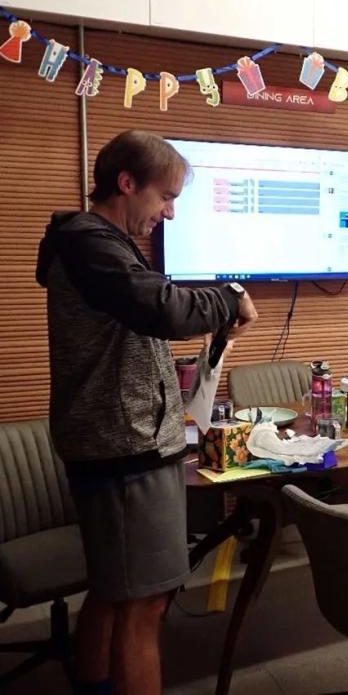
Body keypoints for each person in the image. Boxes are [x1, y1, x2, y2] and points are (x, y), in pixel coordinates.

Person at [35, 130, 259, 695]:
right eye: (165, 197)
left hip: (117, 442)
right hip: (124, 449)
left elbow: (129, 329)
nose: (171, 213)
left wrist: (173, 368)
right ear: (126, 183)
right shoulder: (90, 240)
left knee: (115, 590)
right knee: (145, 603)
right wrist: (229, 298)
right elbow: (158, 307)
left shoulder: (99, 245)